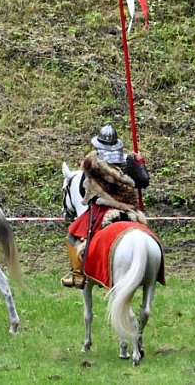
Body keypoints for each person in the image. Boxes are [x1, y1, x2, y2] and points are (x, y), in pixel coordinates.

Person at [61, 124, 150, 289]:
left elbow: (83, 188)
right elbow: (143, 182)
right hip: (129, 210)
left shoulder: (91, 162)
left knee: (72, 234)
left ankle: (78, 275)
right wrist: (139, 163)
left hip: (103, 209)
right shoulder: (128, 160)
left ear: (98, 144)